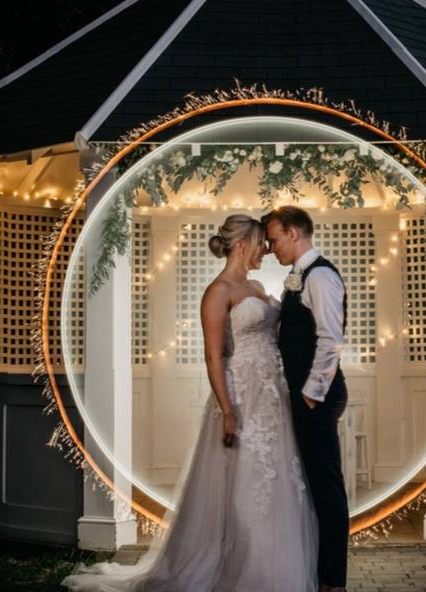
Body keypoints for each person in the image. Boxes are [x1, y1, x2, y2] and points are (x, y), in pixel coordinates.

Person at [61, 214, 319, 592]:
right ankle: (246, 569)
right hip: (242, 394)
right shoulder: (217, 292)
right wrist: (229, 410)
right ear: (244, 243)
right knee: (243, 484)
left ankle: (277, 567)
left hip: (273, 395)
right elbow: (215, 357)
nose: (266, 248)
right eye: (261, 242)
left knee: (278, 478)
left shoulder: (257, 284)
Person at [262, 206, 349, 592]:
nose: (270, 247)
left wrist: (311, 395)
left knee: (326, 488)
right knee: (312, 486)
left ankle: (334, 582)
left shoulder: (322, 276)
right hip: (302, 397)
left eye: (274, 238)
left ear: (294, 233)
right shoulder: (297, 278)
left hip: (317, 397)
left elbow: (331, 339)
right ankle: (317, 574)